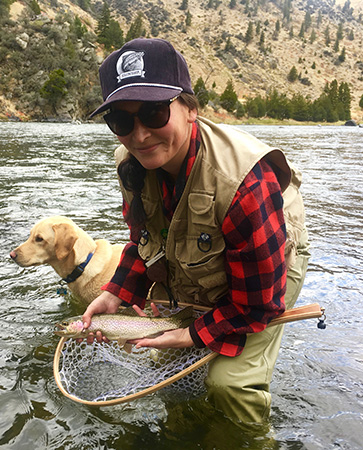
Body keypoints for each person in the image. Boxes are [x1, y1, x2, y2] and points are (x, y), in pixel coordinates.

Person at [82, 38, 310, 423]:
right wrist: (115, 295)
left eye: (154, 113)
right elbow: (146, 240)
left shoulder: (244, 182)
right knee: (167, 363)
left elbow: (259, 303)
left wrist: (193, 334)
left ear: (190, 108)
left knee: (228, 384)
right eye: (121, 121)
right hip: (199, 250)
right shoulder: (130, 164)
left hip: (270, 259)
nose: (139, 135)